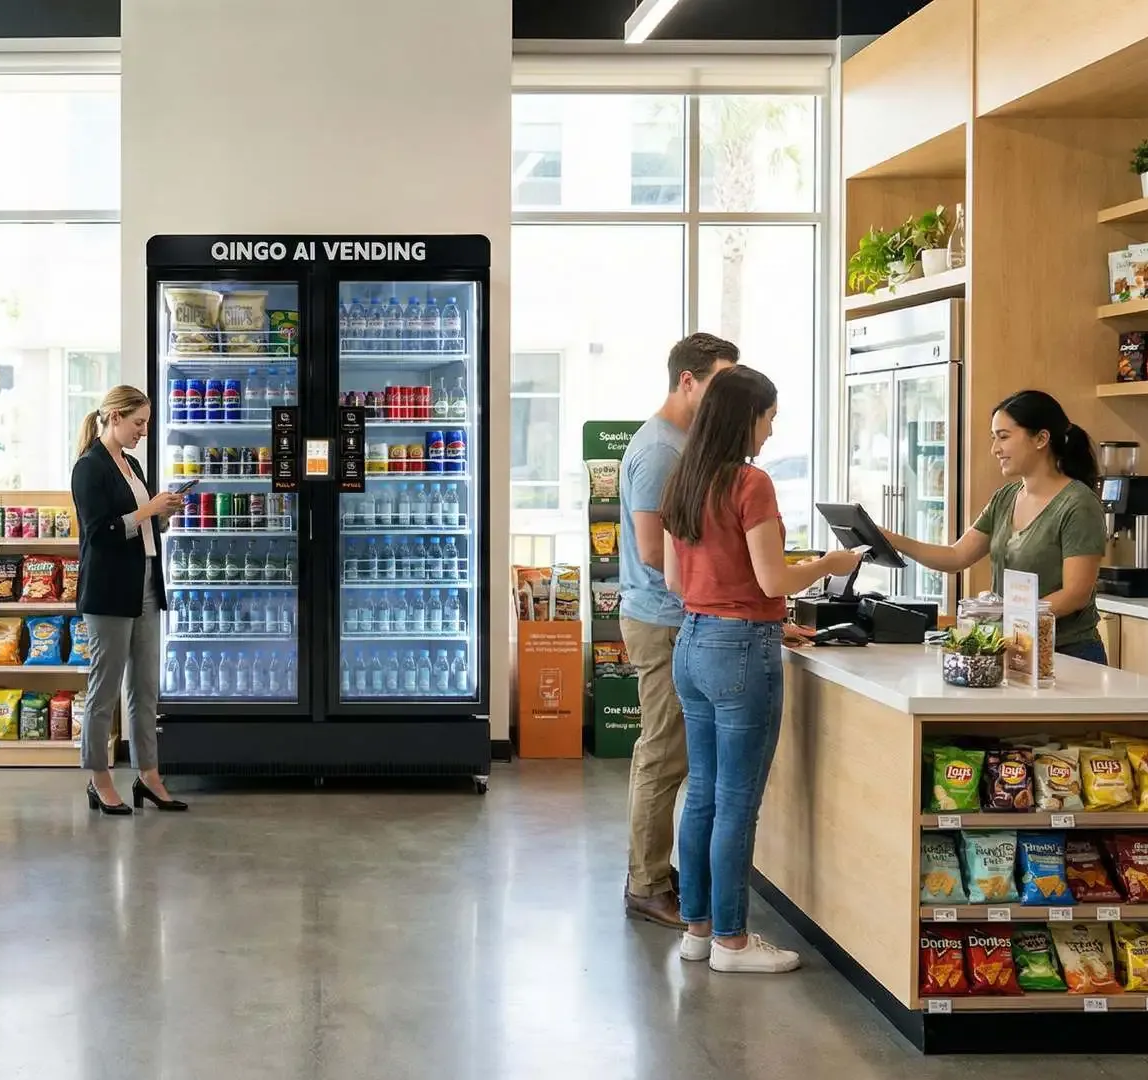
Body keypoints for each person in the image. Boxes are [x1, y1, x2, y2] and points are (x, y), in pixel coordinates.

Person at [661, 366, 862, 973]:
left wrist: (750, 605)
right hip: (741, 649)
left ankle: (696, 932)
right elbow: (774, 578)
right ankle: (733, 942)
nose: (772, 430)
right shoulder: (751, 484)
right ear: (745, 416)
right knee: (736, 801)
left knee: (701, 794)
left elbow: (676, 581)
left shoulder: (683, 479)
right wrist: (830, 563)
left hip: (692, 643)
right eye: (770, 417)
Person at [620, 332, 740, 929]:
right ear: (687, 380)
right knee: (664, 753)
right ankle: (645, 883)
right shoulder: (662, 452)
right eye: (719, 382)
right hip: (662, 622)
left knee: (674, 752)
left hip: (679, 619)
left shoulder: (686, 443)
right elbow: (652, 552)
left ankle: (657, 872)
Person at [881, 389, 1108, 663]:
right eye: (994, 438)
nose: (995, 449)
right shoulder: (1006, 497)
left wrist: (1004, 614)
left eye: (1003, 437)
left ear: (1041, 438)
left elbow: (1075, 595)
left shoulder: (1078, 504)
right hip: (1014, 649)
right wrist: (889, 539)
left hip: (1068, 655)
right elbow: (956, 556)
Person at [71, 385, 188, 814]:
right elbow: (99, 534)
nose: (142, 431)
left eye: (147, 424)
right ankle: (98, 779)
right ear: (114, 417)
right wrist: (146, 511)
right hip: (109, 591)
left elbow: (139, 529)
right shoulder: (89, 467)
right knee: (104, 690)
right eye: (137, 423)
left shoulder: (132, 464)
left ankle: (149, 776)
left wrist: (163, 515)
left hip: (145, 584)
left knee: (144, 688)